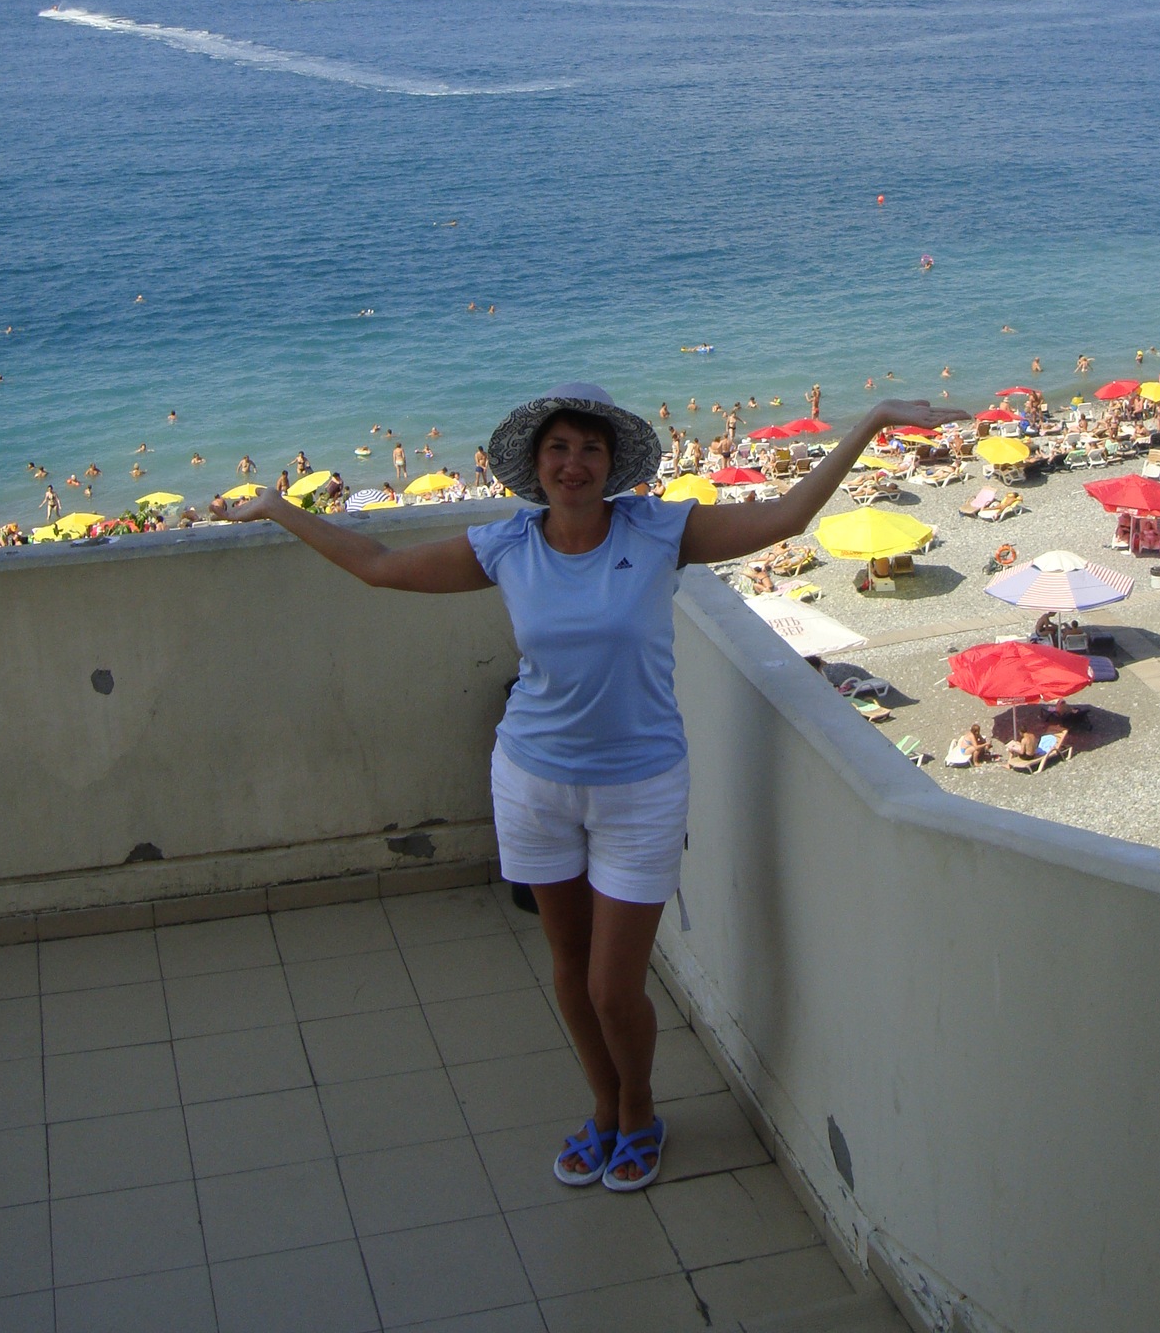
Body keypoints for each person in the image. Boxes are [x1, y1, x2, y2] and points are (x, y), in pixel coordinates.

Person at [214, 380, 964, 1192]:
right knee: (570, 971)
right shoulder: (506, 545)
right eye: (559, 449)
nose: (574, 463)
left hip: (640, 790)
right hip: (532, 782)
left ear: (612, 464)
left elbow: (784, 518)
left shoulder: (659, 530)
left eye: (590, 449)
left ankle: (640, 1109)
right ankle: (604, 1109)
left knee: (613, 986)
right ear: (536, 464)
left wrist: (872, 422)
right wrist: (279, 509)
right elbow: (380, 567)